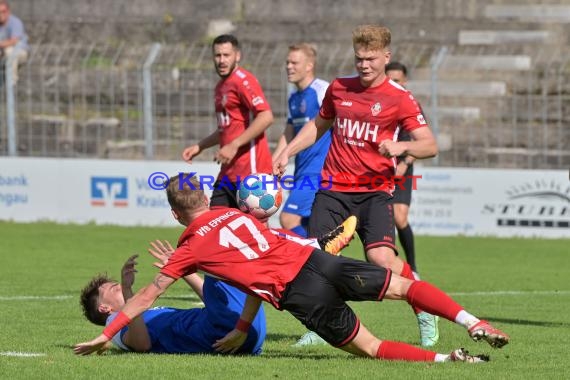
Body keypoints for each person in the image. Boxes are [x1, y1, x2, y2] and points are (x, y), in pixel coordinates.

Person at [74, 174, 509, 363]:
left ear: (174, 215)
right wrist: (244, 325)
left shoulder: (190, 246)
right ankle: (473, 321)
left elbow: (148, 297)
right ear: (205, 198)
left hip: (299, 292)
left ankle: (449, 359)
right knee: (404, 286)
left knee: (372, 348)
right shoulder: (241, 215)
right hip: (318, 261)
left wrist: (104, 334)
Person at [273, 25, 441, 347]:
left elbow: (429, 145)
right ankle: (322, 326)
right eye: (359, 58)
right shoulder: (339, 88)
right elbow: (318, 125)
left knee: (381, 261)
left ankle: (422, 304)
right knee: (319, 260)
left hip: (374, 194)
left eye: (371, 59)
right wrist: (286, 151)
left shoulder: (400, 98)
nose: (364, 65)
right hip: (333, 189)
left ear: (386, 57)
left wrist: (402, 147)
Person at [80, 244, 266, 355]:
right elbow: (142, 344)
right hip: (225, 334)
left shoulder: (143, 314)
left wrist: (182, 269)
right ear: (104, 308)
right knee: (217, 255)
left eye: (119, 285)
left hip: (236, 329)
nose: (120, 286)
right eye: (115, 288)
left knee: (225, 265)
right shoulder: (114, 322)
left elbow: (210, 297)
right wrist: (128, 291)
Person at [181, 34, 274, 209]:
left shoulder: (243, 81)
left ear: (237, 56)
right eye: (217, 55)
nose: (222, 60)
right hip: (228, 173)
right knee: (216, 225)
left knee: (254, 232)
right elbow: (226, 128)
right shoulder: (221, 86)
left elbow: (266, 116)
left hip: (251, 171)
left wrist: (234, 145)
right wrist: (200, 146)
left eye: (226, 55)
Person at [272, 43, 331, 239]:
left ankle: (313, 258)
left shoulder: (322, 90)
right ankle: (323, 260)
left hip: (319, 171)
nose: (289, 66)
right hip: (301, 170)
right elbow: (289, 129)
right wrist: (276, 159)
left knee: (289, 219)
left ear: (309, 66)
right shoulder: (294, 97)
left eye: (294, 62)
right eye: (287, 62)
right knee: (310, 227)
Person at [385, 61, 418, 275]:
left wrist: (405, 163)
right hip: (381, 170)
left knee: (399, 217)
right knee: (383, 218)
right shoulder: (382, 103)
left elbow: (422, 141)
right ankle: (390, 266)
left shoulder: (410, 104)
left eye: (397, 80)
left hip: (403, 168)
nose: (393, 84)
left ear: (404, 81)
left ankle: (413, 268)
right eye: (390, 80)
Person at [0, 1, 28, 85]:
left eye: (3, 11)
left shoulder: (15, 22)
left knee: (10, 51)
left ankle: (12, 81)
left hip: (19, 52)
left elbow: (14, 41)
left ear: (8, 11)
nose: (1, 14)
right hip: (3, 52)